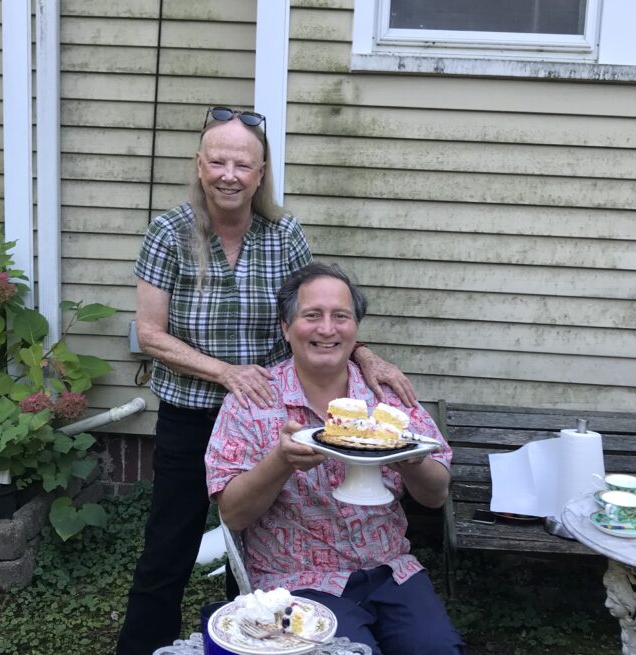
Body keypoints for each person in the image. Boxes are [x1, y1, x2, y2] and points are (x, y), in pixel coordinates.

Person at [116, 108, 418, 655]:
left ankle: (256, 644)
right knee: (168, 550)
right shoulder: (169, 232)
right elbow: (151, 334)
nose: (229, 174)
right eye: (218, 161)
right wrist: (225, 372)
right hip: (190, 413)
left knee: (254, 548)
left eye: (243, 164)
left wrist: (366, 355)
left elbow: (315, 311)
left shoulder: (284, 234)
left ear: (261, 174)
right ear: (199, 165)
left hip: (263, 417)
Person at [205, 262, 465, 655]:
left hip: (392, 572)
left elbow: (435, 495)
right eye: (312, 316)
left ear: (355, 329)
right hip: (297, 581)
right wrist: (280, 461)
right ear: (286, 327)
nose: (327, 329)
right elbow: (233, 516)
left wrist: (409, 458)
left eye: (340, 316)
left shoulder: (388, 399)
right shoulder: (251, 402)